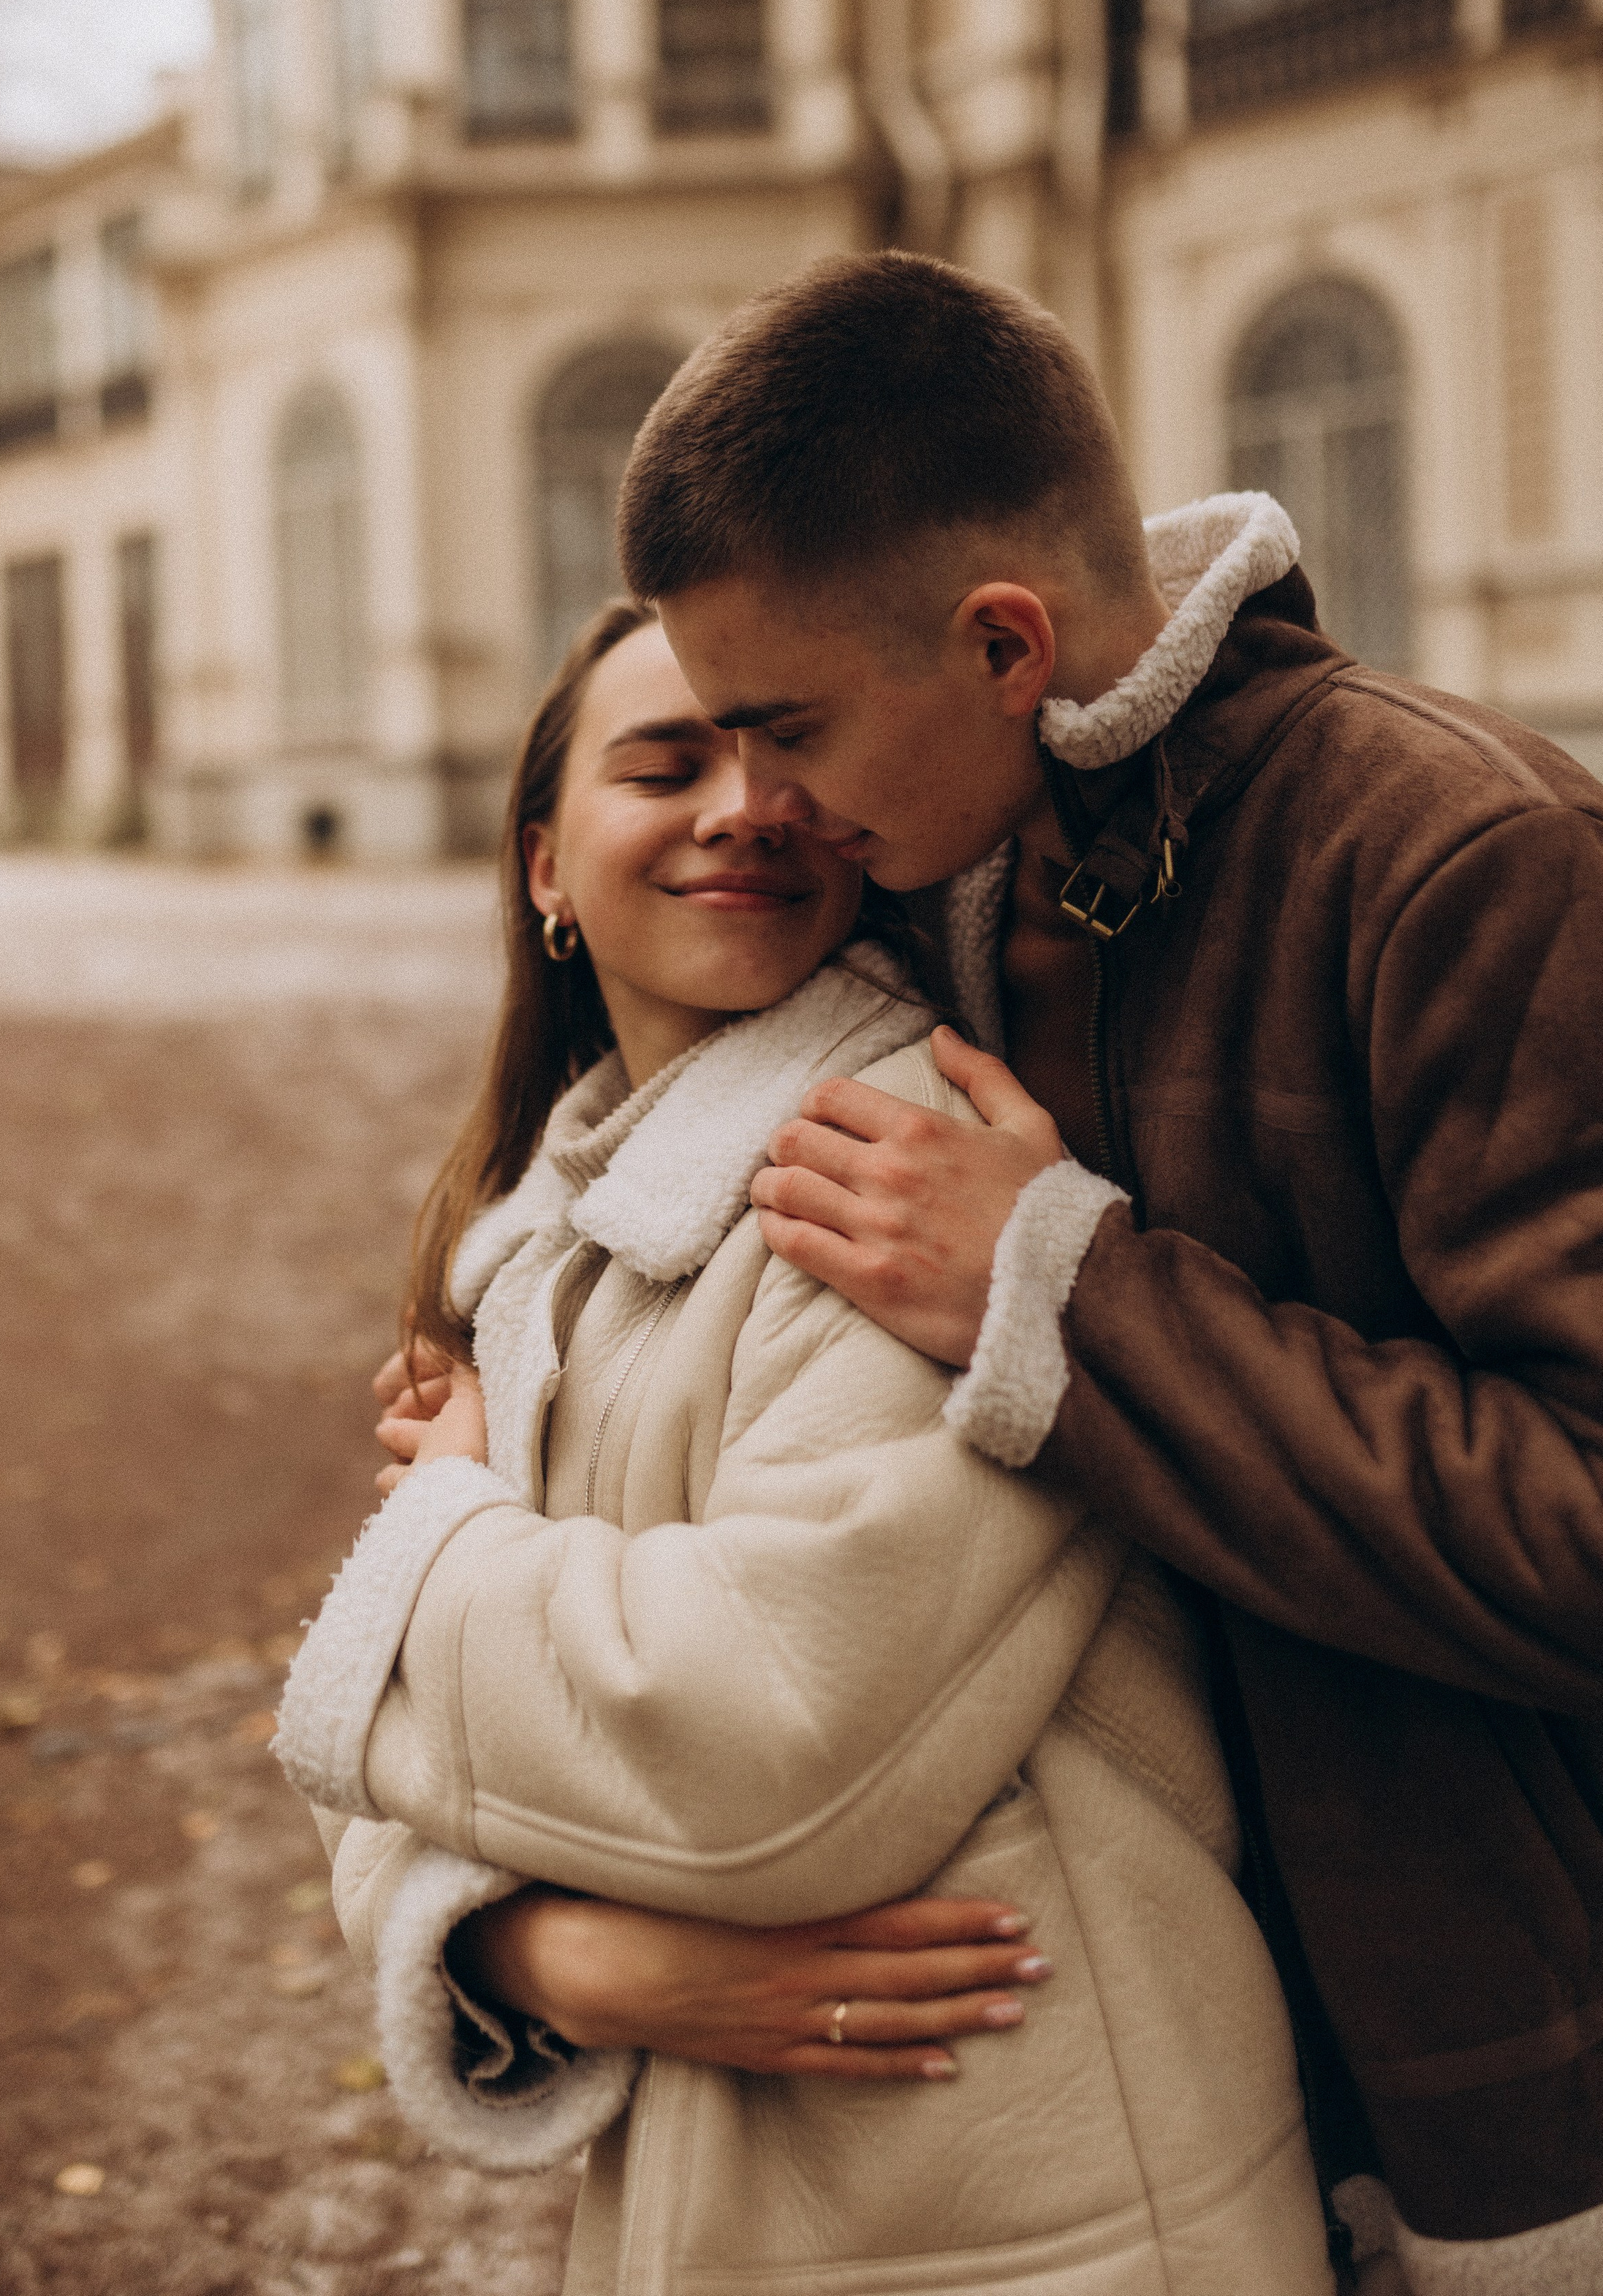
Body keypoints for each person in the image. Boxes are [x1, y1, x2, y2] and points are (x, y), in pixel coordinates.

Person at [448, 253, 1603, 2296]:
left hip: (1496, 2071)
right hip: (1174, 2068)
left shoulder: (1464, 857)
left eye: (784, 726)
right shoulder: (959, 866)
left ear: (1002, 642)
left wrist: (1061, 1291)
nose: (766, 805)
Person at [275, 599, 1335, 2296]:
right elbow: (368, 1744)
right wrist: (554, 1953)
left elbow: (764, 1740)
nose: (743, 803)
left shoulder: (897, 1169)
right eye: (666, 761)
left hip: (1033, 2206)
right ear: (544, 868)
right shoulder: (549, 1240)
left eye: (781, 752)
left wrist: (442, 1545)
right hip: (763, 2187)